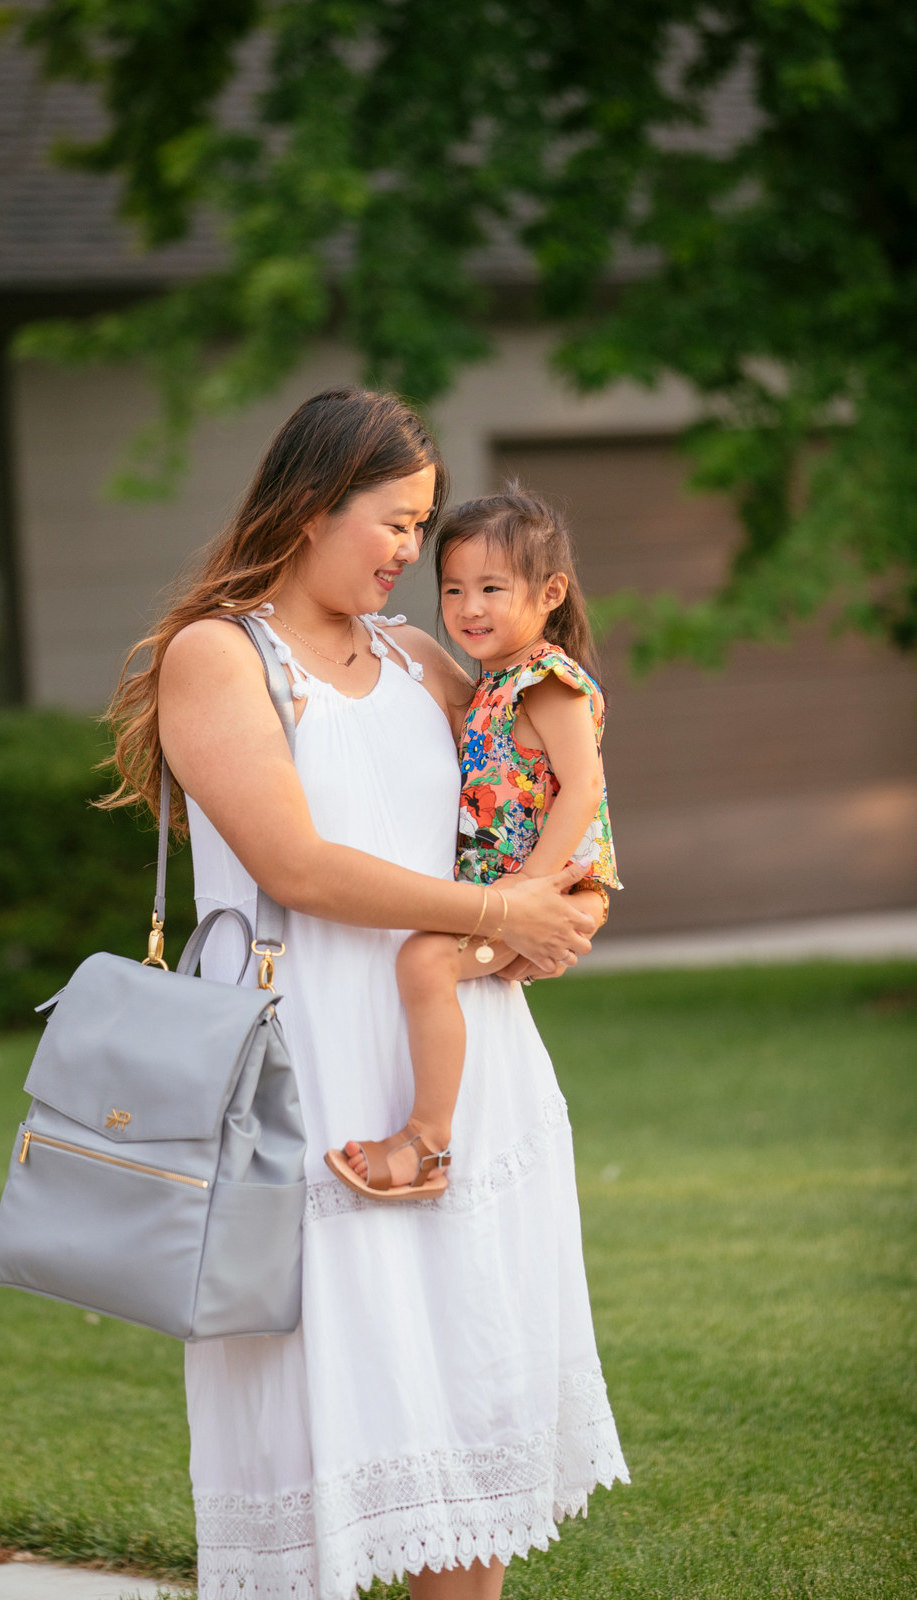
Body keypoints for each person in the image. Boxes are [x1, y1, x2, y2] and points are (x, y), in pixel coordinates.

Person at [104, 388, 629, 1600]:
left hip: (456, 1063)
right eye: (392, 521)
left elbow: (552, 765)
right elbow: (294, 867)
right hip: (308, 1082)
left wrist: (565, 898)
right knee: (320, 1406)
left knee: (467, 1394)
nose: (413, 552)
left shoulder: (413, 656)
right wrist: (499, 913)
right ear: (308, 503)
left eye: (423, 524)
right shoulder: (219, 656)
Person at [326, 488, 621, 1199]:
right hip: (511, 892)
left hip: (551, 890)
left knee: (425, 960)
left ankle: (426, 1145)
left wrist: (522, 897)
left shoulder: (547, 682)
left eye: (491, 587)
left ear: (550, 592)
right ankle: (425, 1139)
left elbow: (582, 790)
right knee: (428, 957)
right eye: (453, 588)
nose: (468, 607)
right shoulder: (489, 685)